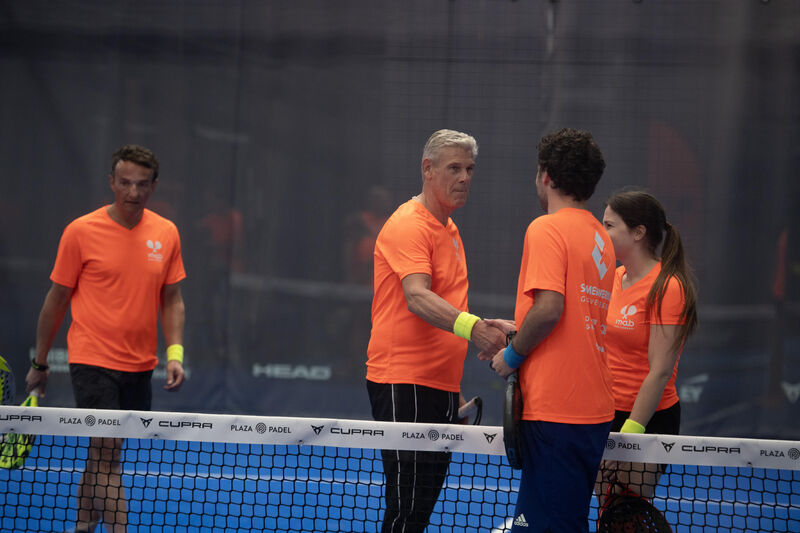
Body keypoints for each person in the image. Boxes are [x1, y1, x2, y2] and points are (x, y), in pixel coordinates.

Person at [25, 144, 187, 533]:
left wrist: (175, 354)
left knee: (102, 451)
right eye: (125, 182)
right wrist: (39, 362)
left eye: (142, 184)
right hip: (92, 360)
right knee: (109, 454)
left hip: (140, 364)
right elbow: (56, 300)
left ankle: (83, 523)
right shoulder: (80, 231)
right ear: (111, 182)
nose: (133, 192)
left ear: (153, 186)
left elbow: (172, 299)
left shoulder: (166, 233)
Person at [366, 129, 512, 533]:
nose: (464, 177)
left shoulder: (449, 229)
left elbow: (447, 308)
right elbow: (417, 296)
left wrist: (453, 385)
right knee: (408, 509)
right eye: (454, 168)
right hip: (403, 381)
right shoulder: (408, 224)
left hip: (438, 386)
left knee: (421, 508)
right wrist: (475, 329)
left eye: (469, 169)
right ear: (428, 169)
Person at [490, 128, 616, 532]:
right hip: (593, 409)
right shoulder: (601, 236)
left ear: (545, 175)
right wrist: (518, 328)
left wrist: (511, 356)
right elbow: (576, 316)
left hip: (556, 408)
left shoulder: (545, 228)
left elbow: (549, 309)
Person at [596, 190, 698, 508]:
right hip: (605, 414)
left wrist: (630, 436)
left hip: (646, 419)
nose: (602, 233)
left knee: (626, 513)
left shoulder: (668, 287)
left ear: (638, 232)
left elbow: (661, 371)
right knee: (606, 510)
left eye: (609, 225)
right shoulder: (612, 278)